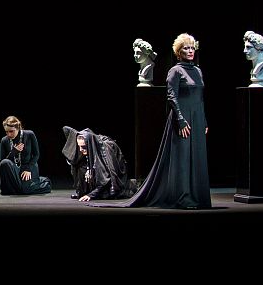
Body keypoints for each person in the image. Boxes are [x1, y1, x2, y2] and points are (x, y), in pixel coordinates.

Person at [103, 33, 210, 209]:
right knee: (183, 159)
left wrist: (204, 121)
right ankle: (183, 198)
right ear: (179, 52)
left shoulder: (198, 71)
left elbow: (200, 98)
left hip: (197, 118)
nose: (190, 51)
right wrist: (180, 120)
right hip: (182, 118)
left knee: (197, 157)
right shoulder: (175, 71)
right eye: (186, 48)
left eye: (192, 48)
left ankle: (199, 197)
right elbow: (171, 96)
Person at [61, 126, 135, 202]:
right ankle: (84, 191)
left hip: (108, 183)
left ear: (89, 145)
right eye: (79, 146)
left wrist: (91, 195)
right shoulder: (88, 148)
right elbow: (65, 129)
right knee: (79, 164)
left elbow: (106, 179)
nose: (81, 150)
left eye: (83, 147)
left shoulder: (103, 153)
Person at [0, 116, 51, 195]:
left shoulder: (29, 134)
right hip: (14, 169)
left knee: (25, 190)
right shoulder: (4, 140)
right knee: (4, 162)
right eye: (6, 132)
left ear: (18, 128)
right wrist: (13, 152)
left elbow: (36, 154)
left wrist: (28, 169)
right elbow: (3, 161)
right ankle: (18, 188)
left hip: (29, 166)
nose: (9, 134)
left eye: (11, 131)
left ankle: (43, 181)